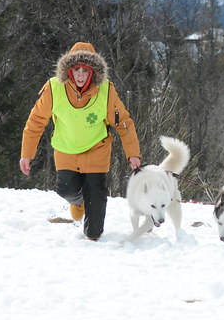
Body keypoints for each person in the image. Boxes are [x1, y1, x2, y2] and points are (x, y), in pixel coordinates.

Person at [19, 42, 142, 241]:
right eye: (77, 69)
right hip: (66, 149)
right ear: (69, 69)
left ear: (94, 72)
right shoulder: (53, 88)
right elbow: (36, 122)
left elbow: (124, 123)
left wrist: (133, 153)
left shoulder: (106, 91)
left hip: (97, 149)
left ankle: (93, 236)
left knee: (96, 196)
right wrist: (26, 154)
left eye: (86, 70)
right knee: (65, 189)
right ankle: (78, 202)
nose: (81, 75)